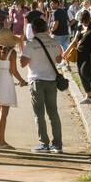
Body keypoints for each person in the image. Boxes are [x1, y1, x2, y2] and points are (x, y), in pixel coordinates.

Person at [20, 11, 65, 154]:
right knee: (53, 113)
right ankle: (57, 144)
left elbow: (22, 63)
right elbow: (59, 60)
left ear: (33, 29)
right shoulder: (54, 42)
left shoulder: (31, 44)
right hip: (51, 80)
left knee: (39, 114)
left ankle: (44, 143)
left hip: (36, 81)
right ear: (46, 28)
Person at [0, 21, 27, 150]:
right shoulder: (12, 53)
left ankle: (0, 139)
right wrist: (22, 81)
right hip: (6, 80)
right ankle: (1, 141)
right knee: (4, 112)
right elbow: (14, 71)